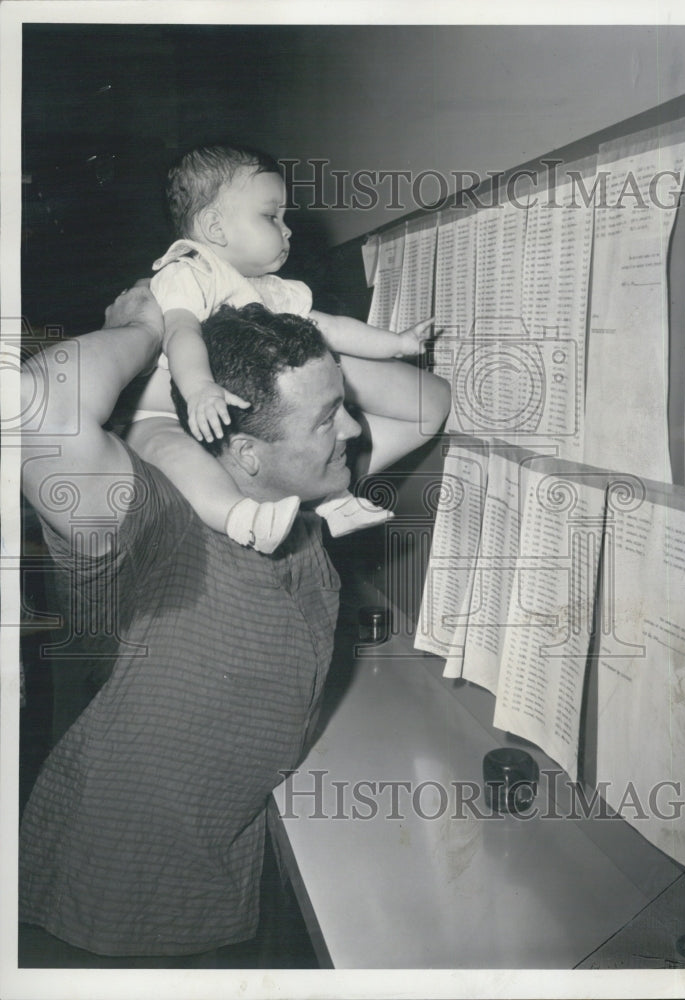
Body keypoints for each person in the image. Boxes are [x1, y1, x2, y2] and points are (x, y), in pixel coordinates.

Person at [18, 288, 375, 962]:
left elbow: (429, 400)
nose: (355, 432)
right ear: (244, 451)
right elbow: (34, 409)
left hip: (222, 864)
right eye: (330, 418)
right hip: (115, 892)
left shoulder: (290, 504)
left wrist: (256, 321)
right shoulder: (156, 524)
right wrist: (159, 320)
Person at [126, 143, 450, 551]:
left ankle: (333, 503)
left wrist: (395, 343)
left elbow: (328, 328)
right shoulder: (191, 270)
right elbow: (181, 333)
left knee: (306, 452)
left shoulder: (268, 291)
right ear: (214, 226)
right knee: (168, 448)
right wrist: (198, 388)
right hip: (165, 408)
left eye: (284, 216)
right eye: (270, 215)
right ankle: (239, 517)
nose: (287, 228)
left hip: (230, 417)